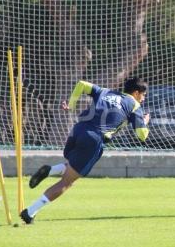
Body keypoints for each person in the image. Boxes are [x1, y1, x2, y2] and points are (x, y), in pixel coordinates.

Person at [20, 77, 150, 224]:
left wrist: (71, 104)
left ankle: (50, 171)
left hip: (78, 130)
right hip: (94, 139)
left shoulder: (106, 91)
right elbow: (142, 136)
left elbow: (82, 85)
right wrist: (144, 122)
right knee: (67, 182)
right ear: (136, 93)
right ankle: (30, 212)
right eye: (143, 95)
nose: (143, 99)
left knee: (71, 167)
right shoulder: (134, 105)